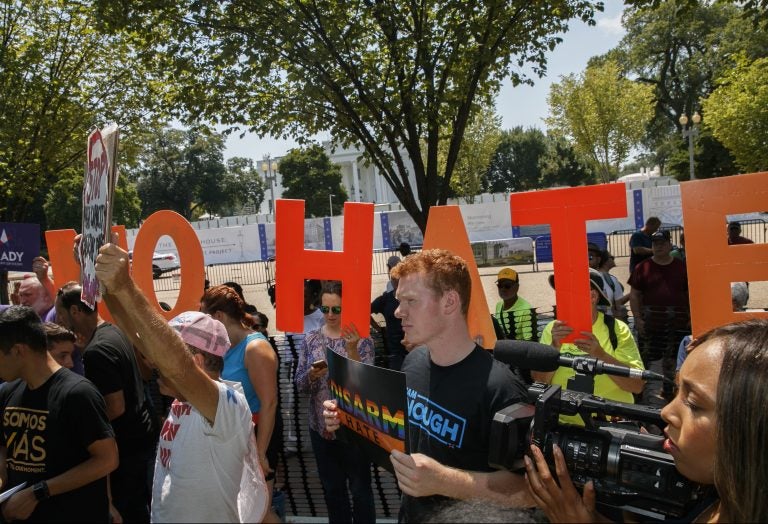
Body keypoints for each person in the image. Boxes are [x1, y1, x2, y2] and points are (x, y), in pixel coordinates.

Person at [324, 250, 532, 522]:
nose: (398, 311)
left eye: (410, 300)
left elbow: (529, 490)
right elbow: (403, 442)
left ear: (449, 302)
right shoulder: (415, 362)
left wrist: (445, 481)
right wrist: (350, 417)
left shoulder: (502, 390)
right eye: (399, 301)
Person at [524, 318, 768, 523]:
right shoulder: (706, 498)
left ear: (755, 425)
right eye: (675, 391)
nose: (666, 412)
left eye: (693, 403)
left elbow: (635, 384)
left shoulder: (617, 329)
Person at [92, 241, 268, 523]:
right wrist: (107, 285)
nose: (153, 361)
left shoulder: (227, 405)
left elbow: (178, 365)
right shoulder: (184, 400)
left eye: (164, 355)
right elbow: (137, 336)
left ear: (196, 362)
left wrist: (126, 285)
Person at [0, 306, 118, 522]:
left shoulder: (78, 393)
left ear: (18, 351)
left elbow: (107, 459)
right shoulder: (8, 391)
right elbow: (4, 445)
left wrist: (38, 492)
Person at [55, 282, 157, 522]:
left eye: (60, 314)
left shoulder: (97, 351)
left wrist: (82, 430)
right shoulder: (113, 331)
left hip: (128, 449)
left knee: (129, 513)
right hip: (141, 437)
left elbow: (115, 406)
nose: (59, 320)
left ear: (75, 312)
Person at [295, 280, 376, 523]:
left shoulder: (363, 339)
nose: (330, 315)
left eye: (336, 309)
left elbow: (367, 387)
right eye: (325, 308)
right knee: (333, 492)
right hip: (321, 430)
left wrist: (351, 351)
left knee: (361, 493)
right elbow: (299, 385)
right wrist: (311, 374)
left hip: (355, 430)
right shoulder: (310, 339)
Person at [200, 284, 281, 523]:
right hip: (233, 436)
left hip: (257, 434)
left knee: (261, 513)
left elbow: (269, 403)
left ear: (219, 317)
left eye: (206, 318)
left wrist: (260, 453)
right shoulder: (219, 345)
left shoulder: (256, 348)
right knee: (241, 511)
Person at [537, 270, 645, 426]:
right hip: (563, 424)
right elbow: (539, 381)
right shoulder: (552, 330)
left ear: (593, 296)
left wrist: (601, 355)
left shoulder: (616, 329)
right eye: (562, 291)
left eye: (571, 291)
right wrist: (554, 347)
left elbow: (637, 385)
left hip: (611, 426)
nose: (563, 297)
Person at [628, 229, 689, 405]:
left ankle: (674, 399)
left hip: (677, 325)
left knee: (675, 363)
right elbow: (635, 295)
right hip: (651, 326)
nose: (658, 246)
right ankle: (649, 402)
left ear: (670, 244)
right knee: (649, 364)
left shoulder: (681, 267)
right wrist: (638, 318)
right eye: (655, 244)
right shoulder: (643, 267)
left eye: (662, 243)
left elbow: (690, 293)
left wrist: (690, 316)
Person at [371, 259, 407, 370]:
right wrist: (378, 328)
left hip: (414, 348)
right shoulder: (385, 299)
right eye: (393, 278)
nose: (395, 281)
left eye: (398, 278)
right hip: (395, 352)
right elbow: (365, 311)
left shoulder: (413, 298)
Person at [492, 267, 534, 341]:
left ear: (517, 287)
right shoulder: (499, 305)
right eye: (500, 285)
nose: (503, 289)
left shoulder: (526, 310)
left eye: (507, 286)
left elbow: (529, 342)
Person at [597, 250, 629, 321]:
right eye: (611, 257)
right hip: (609, 319)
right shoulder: (611, 279)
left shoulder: (594, 277)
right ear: (605, 261)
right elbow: (619, 303)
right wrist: (633, 292)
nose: (614, 258)